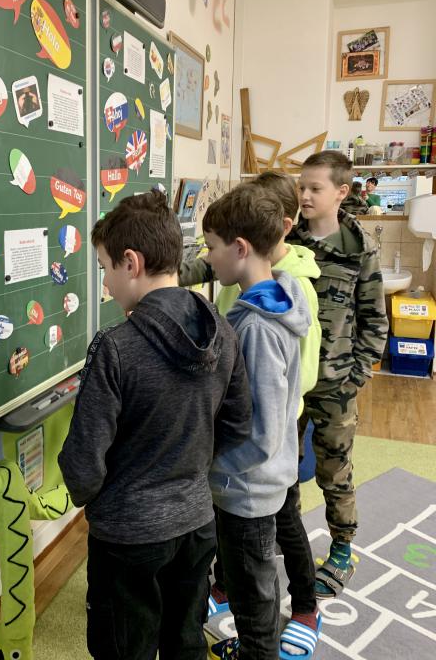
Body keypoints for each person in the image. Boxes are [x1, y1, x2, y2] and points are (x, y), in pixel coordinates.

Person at [58, 190, 252, 660]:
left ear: (131, 263)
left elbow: (82, 466)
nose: (106, 284)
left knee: (124, 648)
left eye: (105, 268)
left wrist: (108, 497)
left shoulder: (115, 347)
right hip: (197, 523)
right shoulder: (223, 332)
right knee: (185, 641)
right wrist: (190, 467)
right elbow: (238, 424)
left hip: (128, 537)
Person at [181, 171, 323, 659]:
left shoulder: (257, 329)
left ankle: (258, 650)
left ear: (240, 248)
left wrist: (212, 465)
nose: (208, 258)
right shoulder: (273, 299)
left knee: (252, 599)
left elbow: (260, 432)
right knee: (255, 585)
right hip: (256, 482)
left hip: (247, 488)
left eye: (212, 248)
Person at [291, 151, 388, 598]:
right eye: (301, 186)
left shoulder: (359, 247)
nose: (305, 195)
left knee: (334, 470)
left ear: (341, 192)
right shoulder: (288, 236)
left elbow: (375, 321)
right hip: (290, 380)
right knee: (282, 466)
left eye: (315, 188)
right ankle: (286, 533)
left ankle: (343, 549)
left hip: (336, 384)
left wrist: (356, 376)